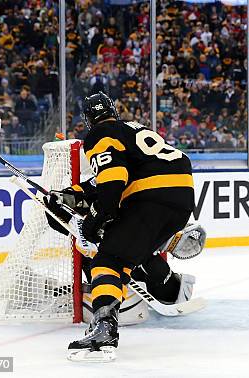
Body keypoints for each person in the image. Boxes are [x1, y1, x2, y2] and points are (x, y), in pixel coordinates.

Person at [45, 92, 197, 361]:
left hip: (149, 197)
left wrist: (97, 217)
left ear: (89, 119)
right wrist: (67, 195)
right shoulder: (132, 130)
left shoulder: (99, 135)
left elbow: (113, 179)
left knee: (107, 262)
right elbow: (101, 183)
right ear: (113, 111)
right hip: (181, 199)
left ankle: (104, 329)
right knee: (131, 253)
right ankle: (171, 287)